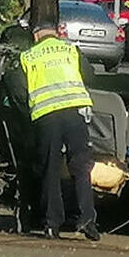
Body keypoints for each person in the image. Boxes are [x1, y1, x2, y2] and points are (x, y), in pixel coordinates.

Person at [20, 21, 100, 240]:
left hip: (47, 117)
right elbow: (90, 76)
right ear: (56, 34)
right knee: (81, 167)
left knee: (50, 169)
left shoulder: (28, 56)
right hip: (74, 114)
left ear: (36, 36)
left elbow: (19, 89)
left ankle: (52, 223)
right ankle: (87, 219)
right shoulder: (71, 50)